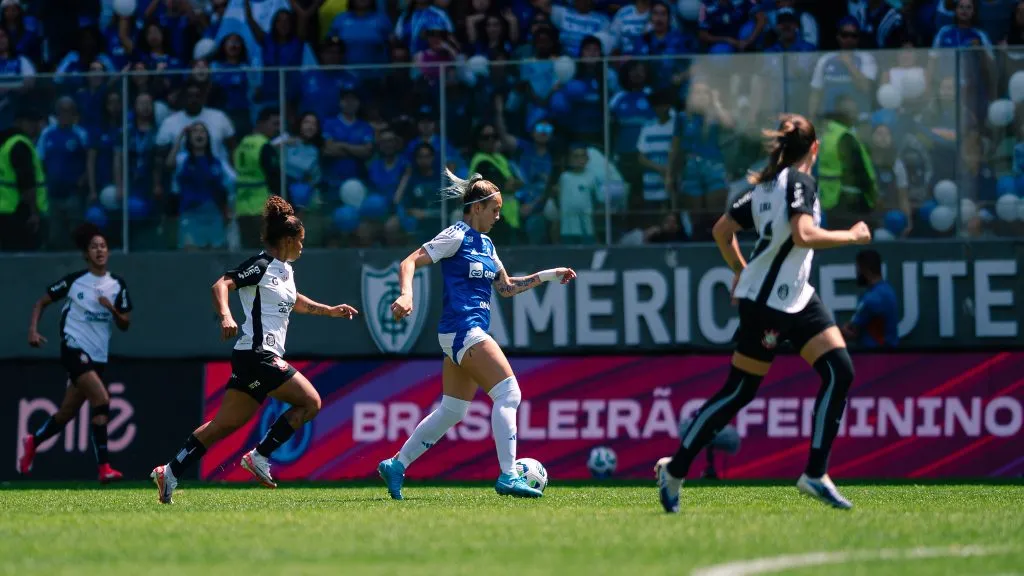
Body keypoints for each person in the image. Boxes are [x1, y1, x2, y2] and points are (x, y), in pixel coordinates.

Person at [654, 115, 872, 513]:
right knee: (740, 391)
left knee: (839, 369)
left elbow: (722, 231)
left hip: (796, 296)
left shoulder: (765, 185)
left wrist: (741, 272)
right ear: (815, 149)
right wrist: (852, 236)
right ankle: (676, 468)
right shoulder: (800, 183)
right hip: (769, 302)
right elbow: (804, 234)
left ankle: (815, 474)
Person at [378, 169, 577, 500]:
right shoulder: (456, 235)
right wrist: (406, 294)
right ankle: (508, 475)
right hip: (462, 328)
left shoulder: (486, 244)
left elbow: (506, 287)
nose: (498, 217)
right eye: (495, 210)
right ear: (477, 207)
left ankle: (397, 465)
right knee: (509, 394)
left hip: (462, 333)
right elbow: (409, 261)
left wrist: (548, 275)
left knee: (453, 410)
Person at [151, 197, 359, 504]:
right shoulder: (260, 265)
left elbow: (293, 301)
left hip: (252, 357)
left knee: (226, 424)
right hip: (260, 354)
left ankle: (169, 471)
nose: (303, 247)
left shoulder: (285, 271)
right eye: (300, 241)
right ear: (288, 240)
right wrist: (225, 316)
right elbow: (220, 285)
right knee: (311, 402)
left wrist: (328, 310)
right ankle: (259, 456)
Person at [21, 224, 132, 483]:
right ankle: (104, 468)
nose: (99, 250)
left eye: (103, 246)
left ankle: (33, 440)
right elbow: (42, 301)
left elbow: (125, 324)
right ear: (86, 254)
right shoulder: (75, 282)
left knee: (65, 414)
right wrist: (32, 330)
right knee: (102, 400)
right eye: (94, 247)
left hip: (98, 357)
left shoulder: (117, 286)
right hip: (73, 348)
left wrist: (112, 310)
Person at [842, 249, 899, 348]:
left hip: (874, 357)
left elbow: (852, 332)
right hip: (890, 356)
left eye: (858, 269)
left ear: (865, 270)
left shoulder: (871, 299)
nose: (856, 274)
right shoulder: (889, 291)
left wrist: (836, 330)